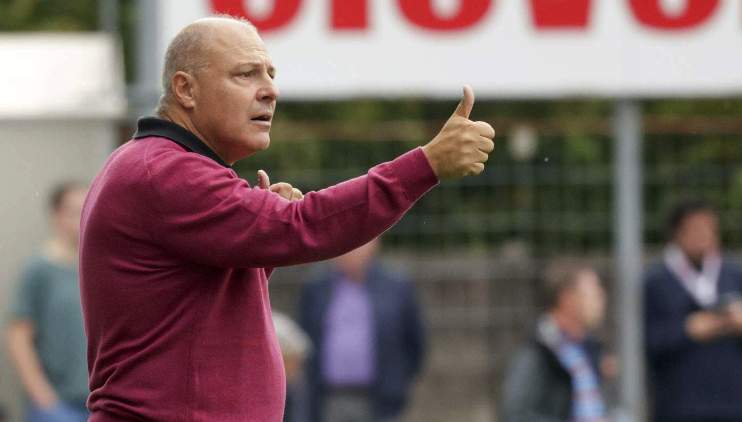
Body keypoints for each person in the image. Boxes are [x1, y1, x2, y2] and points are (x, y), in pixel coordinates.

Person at [78, 15, 495, 422]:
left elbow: (192, 311)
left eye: (271, 74)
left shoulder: (157, 165)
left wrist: (258, 246)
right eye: (246, 74)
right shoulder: (166, 171)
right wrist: (425, 165)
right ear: (185, 89)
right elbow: (303, 226)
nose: (270, 90)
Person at [643, 199, 742, 422]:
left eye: (710, 229)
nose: (704, 236)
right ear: (677, 233)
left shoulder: (738, 276)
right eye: (696, 229)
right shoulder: (656, 282)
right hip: (678, 406)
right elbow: (646, 341)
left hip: (730, 406)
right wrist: (687, 330)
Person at [299, 239, 425, 422]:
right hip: (328, 398)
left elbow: (415, 343)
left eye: (360, 243)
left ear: (375, 243)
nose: (353, 250)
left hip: (381, 399)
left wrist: (398, 381)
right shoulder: (316, 287)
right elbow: (304, 339)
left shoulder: (396, 286)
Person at [6, 182, 89, 422]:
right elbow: (18, 337)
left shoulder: (98, 269)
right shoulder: (39, 270)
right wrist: (45, 399)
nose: (82, 218)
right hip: (59, 406)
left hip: (98, 403)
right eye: (75, 212)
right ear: (57, 216)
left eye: (87, 209)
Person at [501, 262, 609, 422]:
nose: (601, 298)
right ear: (568, 298)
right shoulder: (538, 351)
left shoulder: (588, 348)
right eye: (593, 293)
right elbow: (516, 415)